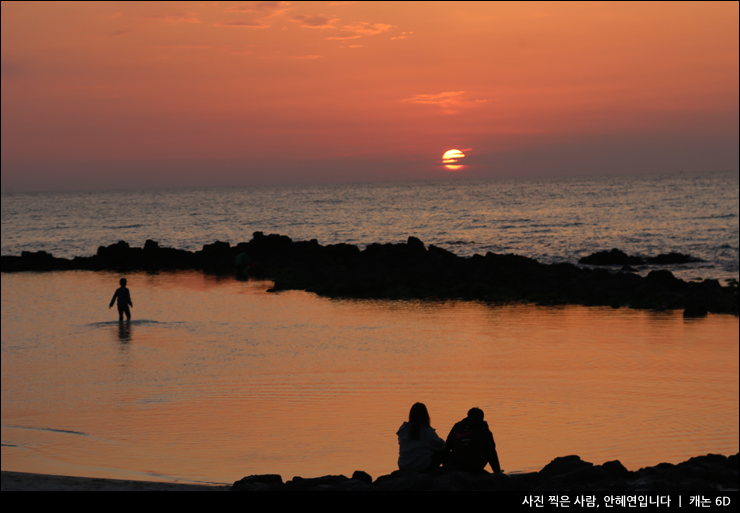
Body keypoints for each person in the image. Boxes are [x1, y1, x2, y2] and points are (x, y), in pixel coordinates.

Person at [445, 407, 501, 473]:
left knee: (441, 446)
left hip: (456, 463)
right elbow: (491, 449)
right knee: (491, 449)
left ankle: (447, 470)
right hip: (476, 464)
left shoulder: (457, 427)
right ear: (482, 418)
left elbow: (447, 446)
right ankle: (497, 472)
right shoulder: (483, 428)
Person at [396, 402, 446, 473]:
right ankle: (447, 472)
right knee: (443, 451)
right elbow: (441, 445)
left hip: (404, 465)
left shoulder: (403, 429)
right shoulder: (427, 431)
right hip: (422, 466)